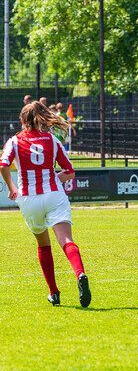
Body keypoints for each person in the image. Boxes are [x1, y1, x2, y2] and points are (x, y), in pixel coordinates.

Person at [0, 102, 92, 307]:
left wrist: (11, 187)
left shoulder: (14, 141)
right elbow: (69, 171)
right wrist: (54, 179)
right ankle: (80, 274)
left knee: (43, 244)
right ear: (41, 118)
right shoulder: (52, 139)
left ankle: (54, 293)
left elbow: (3, 165)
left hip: (29, 199)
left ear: (23, 121)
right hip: (54, 195)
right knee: (66, 240)